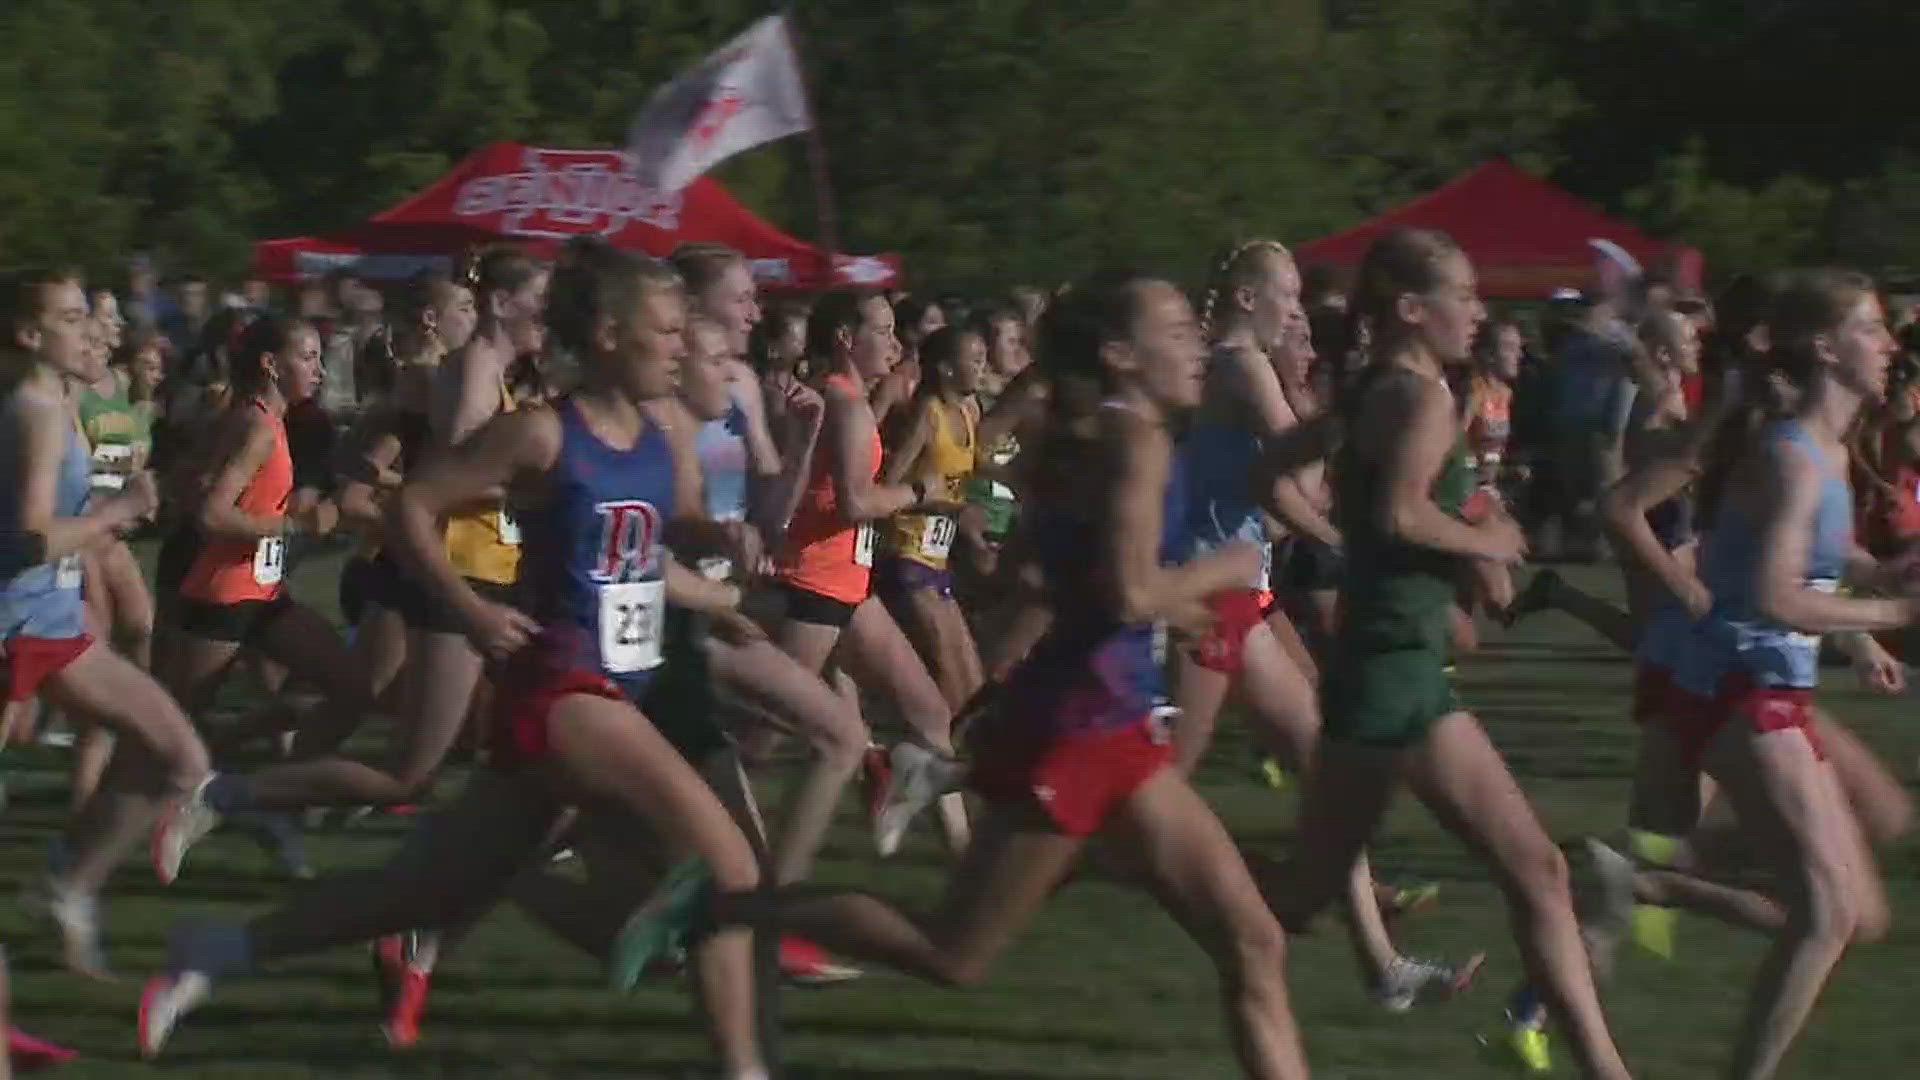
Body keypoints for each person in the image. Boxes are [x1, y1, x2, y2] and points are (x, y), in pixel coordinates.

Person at [139, 243, 774, 1080]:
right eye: (667, 329)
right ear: (613, 334)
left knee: (425, 894)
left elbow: (672, 520)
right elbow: (414, 509)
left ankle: (217, 947)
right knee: (728, 865)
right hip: (561, 689)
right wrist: (473, 612)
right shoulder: (543, 432)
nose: (682, 345)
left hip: (623, 686)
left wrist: (721, 540)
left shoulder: (662, 435)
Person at [699, 272, 1312, 1079]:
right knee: (951, 955)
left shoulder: (1090, 433)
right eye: (1176, 329)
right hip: (1080, 729)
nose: (1196, 345)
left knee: (1255, 940)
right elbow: (1131, 591)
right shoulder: (1133, 441)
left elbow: (1035, 577)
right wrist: (1219, 571)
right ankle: (725, 911)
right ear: (1121, 355)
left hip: (1115, 725)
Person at [1272, 229, 1632, 1080]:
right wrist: (1491, 542)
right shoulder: (1419, 396)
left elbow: (1271, 473)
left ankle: (1605, 1069)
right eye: (1463, 296)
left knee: (1533, 870)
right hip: (1390, 669)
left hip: (1398, 659)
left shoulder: (1380, 388)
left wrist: (1356, 540)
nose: (1479, 312)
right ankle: (1134, 867)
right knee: (1298, 897)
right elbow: (1400, 513)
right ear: (1410, 308)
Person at [1174, 239, 1475, 1010]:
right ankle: (1019, 855)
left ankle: (1383, 968)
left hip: (1246, 594)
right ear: (1246, 299)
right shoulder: (1241, 365)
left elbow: (1283, 483)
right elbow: (1296, 464)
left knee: (1327, 768)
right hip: (1204, 597)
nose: (1296, 310)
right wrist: (1359, 415)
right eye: (1286, 295)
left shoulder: (1250, 365)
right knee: (1154, 787)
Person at [1643, 270, 1914, 1080]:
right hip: (1740, 688)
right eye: (1872, 329)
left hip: (1763, 687)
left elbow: (1820, 563)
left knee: (1860, 915)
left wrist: (1889, 571)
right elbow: (1774, 594)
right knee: (1827, 915)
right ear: (1827, 349)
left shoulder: (1827, 450)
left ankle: (1653, 883)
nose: (1891, 344)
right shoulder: (1793, 454)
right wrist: (1895, 620)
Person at [1, 268, 211, 976]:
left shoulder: (63, 396)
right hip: (11, 629)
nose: (90, 327)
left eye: (88, 313)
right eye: (70, 317)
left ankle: (68, 887)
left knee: (179, 758)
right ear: (31, 335)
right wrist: (116, 515)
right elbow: (28, 539)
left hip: (52, 625)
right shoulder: (31, 408)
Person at [147, 314, 371, 881]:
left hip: (263, 592)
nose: (319, 370)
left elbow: (194, 485)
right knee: (170, 738)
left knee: (348, 687)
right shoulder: (255, 427)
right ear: (272, 364)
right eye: (308, 357)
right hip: (222, 597)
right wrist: (293, 527)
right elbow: (212, 512)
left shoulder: (256, 418)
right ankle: (78, 863)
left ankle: (270, 801)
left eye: (320, 357)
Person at [768, 290, 968, 856]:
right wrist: (918, 491)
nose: (897, 342)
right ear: (845, 339)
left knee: (930, 712)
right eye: (882, 330)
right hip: (815, 585)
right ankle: (728, 856)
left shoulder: (851, 400)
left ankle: (966, 858)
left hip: (848, 588)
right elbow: (855, 502)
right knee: (763, 739)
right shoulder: (843, 402)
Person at [877, 324, 988, 712]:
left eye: (983, 357)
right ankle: (928, 760)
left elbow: (961, 487)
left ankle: (949, 757)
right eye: (973, 359)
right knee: (950, 681)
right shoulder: (928, 414)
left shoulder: (970, 413)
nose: (982, 366)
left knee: (973, 681)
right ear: (945, 368)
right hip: (907, 556)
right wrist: (948, 507)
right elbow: (888, 488)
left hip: (938, 560)